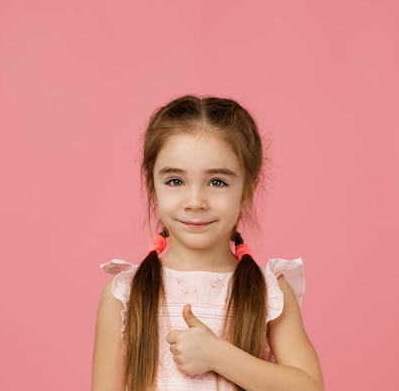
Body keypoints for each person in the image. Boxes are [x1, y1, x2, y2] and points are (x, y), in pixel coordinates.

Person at [91, 95, 323, 391]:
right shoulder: (125, 294)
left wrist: (219, 355)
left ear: (247, 191)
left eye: (217, 182)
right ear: (153, 186)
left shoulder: (270, 292)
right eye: (175, 181)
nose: (195, 202)